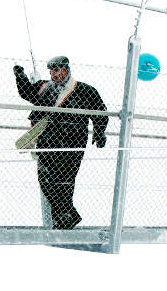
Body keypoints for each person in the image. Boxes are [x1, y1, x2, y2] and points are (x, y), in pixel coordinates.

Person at [13, 55, 108, 230]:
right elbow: (26, 92)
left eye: (57, 70)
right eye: (51, 71)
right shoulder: (43, 87)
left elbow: (100, 111)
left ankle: (64, 219)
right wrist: (20, 76)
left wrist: (100, 132)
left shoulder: (85, 91)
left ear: (66, 69)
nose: (54, 74)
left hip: (73, 143)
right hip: (47, 142)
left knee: (65, 181)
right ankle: (67, 216)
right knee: (45, 179)